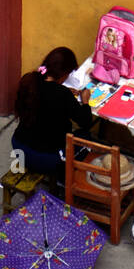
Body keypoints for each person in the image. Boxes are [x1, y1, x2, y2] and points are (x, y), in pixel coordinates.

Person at [11, 46, 94, 180]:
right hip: (45, 158)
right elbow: (85, 122)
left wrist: (63, 91)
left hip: (19, 147)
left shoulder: (30, 81)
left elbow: (47, 97)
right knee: (86, 138)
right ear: (64, 73)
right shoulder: (62, 94)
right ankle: (61, 177)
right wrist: (85, 101)